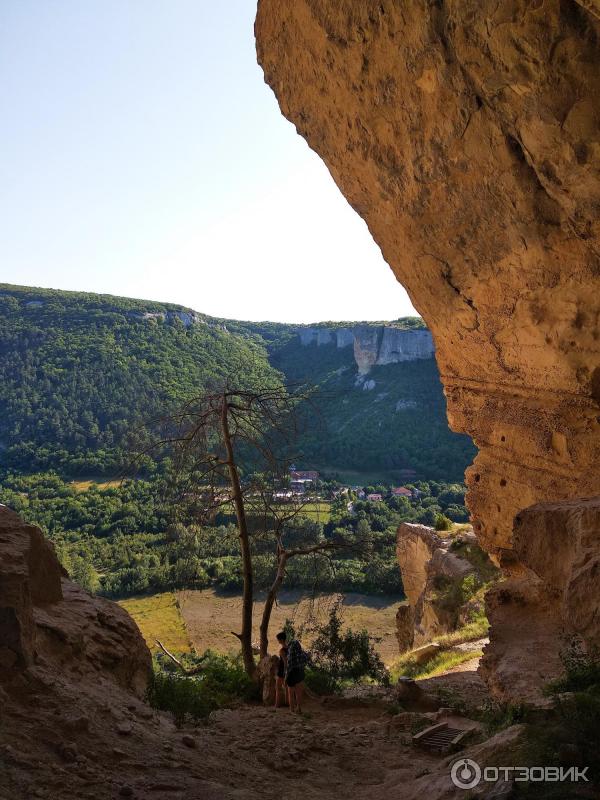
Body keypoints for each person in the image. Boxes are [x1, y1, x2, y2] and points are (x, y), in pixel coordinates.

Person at [284, 637, 306, 714]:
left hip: (292, 673)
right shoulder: (301, 653)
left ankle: (292, 709)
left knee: (291, 693)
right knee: (298, 692)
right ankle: (299, 708)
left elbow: (289, 666)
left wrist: (286, 677)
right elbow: (305, 659)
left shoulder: (290, 653)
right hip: (300, 672)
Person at [274, 631, 288, 709]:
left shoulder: (282, 650)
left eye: (278, 640)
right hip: (288, 670)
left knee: (278, 687)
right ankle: (287, 703)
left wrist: (284, 672)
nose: (278, 641)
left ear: (282, 640)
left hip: (282, 671)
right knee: (286, 687)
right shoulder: (289, 648)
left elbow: (285, 662)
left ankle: (277, 704)